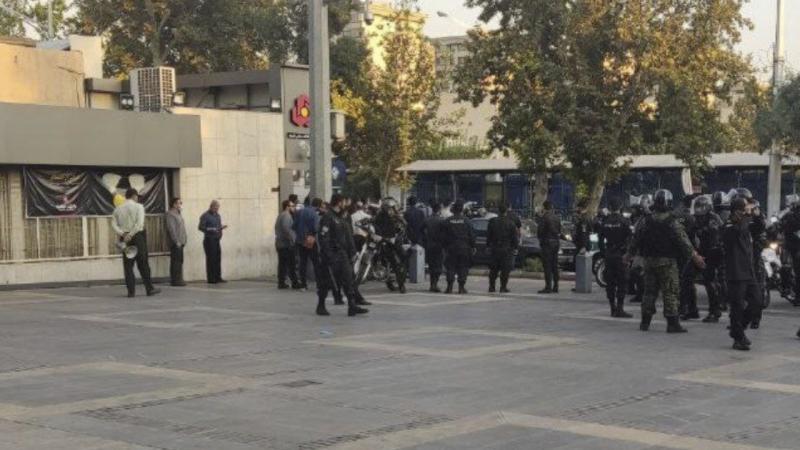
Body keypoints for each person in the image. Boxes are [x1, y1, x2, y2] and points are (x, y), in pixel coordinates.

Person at [626, 189, 704, 333]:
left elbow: (635, 240)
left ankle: (645, 322)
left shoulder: (645, 220)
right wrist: (696, 257)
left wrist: (628, 255)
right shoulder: (672, 221)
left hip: (649, 262)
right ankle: (672, 323)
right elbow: (684, 242)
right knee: (670, 292)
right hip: (667, 263)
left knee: (649, 292)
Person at [316, 194, 369, 317]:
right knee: (326, 282)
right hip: (331, 256)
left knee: (348, 279)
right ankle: (321, 305)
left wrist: (352, 252)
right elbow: (323, 238)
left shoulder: (342, 218)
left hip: (343, 254)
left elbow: (348, 237)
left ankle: (352, 306)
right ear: (339, 202)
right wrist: (329, 255)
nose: (346, 204)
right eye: (344, 202)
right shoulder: (328, 217)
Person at [723, 197, 762, 351]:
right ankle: (738, 337)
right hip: (736, 272)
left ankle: (737, 329)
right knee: (737, 306)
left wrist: (757, 215)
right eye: (744, 208)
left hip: (748, 270)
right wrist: (744, 218)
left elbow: (759, 228)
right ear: (737, 210)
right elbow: (736, 233)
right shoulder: (729, 225)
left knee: (757, 302)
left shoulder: (746, 222)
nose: (747, 211)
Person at [112, 188, 160, 298]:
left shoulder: (118, 209)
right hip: (137, 237)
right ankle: (149, 288)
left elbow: (113, 224)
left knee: (128, 266)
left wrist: (123, 234)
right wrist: (131, 234)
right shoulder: (139, 207)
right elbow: (139, 224)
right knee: (143, 264)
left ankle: (131, 291)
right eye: (137, 196)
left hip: (124, 238)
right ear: (134, 196)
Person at [598, 197, 633, 318]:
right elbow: (631, 239)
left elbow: (600, 239)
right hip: (621, 255)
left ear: (610, 208)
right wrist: (629, 254)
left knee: (610, 282)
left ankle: (612, 307)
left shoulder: (605, 221)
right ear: (620, 207)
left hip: (609, 254)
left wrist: (604, 253)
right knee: (622, 281)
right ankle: (620, 308)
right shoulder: (624, 221)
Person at [693, 196, 725, 323]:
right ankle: (690, 308)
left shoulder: (713, 218)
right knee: (686, 277)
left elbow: (714, 234)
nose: (699, 209)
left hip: (714, 252)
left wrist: (702, 231)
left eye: (701, 206)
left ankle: (715, 311)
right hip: (700, 252)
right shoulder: (696, 218)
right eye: (697, 206)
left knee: (710, 281)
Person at [440, 200, 475, 294]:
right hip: (464, 248)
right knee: (463, 267)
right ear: (462, 209)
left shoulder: (447, 221)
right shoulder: (467, 221)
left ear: (453, 209)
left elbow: (442, 236)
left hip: (451, 248)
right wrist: (473, 246)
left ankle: (449, 287)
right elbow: (472, 235)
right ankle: (461, 288)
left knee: (450, 267)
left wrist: (444, 246)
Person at [374, 197, 408, 293]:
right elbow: (375, 227)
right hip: (385, 243)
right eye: (391, 208)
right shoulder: (379, 217)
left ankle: (399, 281)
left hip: (395, 241)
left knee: (404, 258)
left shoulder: (396, 216)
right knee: (393, 263)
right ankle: (400, 285)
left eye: (393, 208)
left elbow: (404, 225)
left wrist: (400, 230)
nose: (392, 210)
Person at [676, 195, 700, 321]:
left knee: (683, 282)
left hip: (679, 253)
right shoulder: (692, 218)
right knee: (689, 282)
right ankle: (693, 309)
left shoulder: (676, 217)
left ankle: (683, 308)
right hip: (691, 253)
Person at [487, 204, 519, 293]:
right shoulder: (511, 223)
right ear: (506, 212)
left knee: (493, 269)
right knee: (505, 269)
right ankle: (503, 287)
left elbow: (489, 235)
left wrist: (488, 246)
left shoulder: (492, 222)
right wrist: (516, 247)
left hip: (495, 248)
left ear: (498, 211)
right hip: (506, 249)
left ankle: (491, 287)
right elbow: (514, 238)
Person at [295, 198, 323, 290]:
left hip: (300, 240)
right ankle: (319, 284)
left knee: (303, 262)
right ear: (319, 206)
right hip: (310, 240)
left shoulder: (300, 212)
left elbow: (294, 225)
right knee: (316, 262)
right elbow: (315, 228)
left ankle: (303, 284)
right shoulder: (314, 214)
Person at [198, 200, 227, 284]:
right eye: (215, 207)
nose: (217, 209)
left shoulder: (218, 216)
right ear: (211, 207)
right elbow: (200, 227)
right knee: (211, 259)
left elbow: (218, 226)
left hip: (217, 240)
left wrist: (221, 228)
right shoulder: (205, 216)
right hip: (209, 240)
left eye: (218, 207)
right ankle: (211, 278)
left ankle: (218, 277)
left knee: (217, 259)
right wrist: (211, 229)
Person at [537, 201, 562, 294]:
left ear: (544, 208)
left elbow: (540, 231)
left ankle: (548, 287)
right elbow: (559, 230)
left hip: (547, 243)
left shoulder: (544, 218)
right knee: (554, 265)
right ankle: (556, 286)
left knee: (547, 266)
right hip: (555, 242)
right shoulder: (557, 217)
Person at [275, 199, 301, 290]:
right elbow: (287, 229)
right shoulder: (286, 215)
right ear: (287, 207)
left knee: (282, 264)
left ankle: (281, 282)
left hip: (280, 243)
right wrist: (292, 240)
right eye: (292, 206)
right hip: (286, 244)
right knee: (291, 264)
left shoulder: (281, 215)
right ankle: (294, 282)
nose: (294, 208)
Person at [423, 202, 445, 293]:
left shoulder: (427, 220)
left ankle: (432, 284)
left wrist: (425, 240)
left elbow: (421, 230)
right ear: (439, 209)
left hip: (429, 245)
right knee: (438, 266)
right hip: (439, 246)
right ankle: (434, 284)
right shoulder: (441, 220)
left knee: (431, 266)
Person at [165, 197, 187, 287]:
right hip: (176, 242)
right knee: (176, 261)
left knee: (180, 260)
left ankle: (178, 278)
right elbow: (171, 229)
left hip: (181, 241)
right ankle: (175, 280)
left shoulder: (178, 214)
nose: (180, 205)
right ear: (174, 204)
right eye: (178, 203)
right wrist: (176, 241)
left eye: (180, 203)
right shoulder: (170, 214)